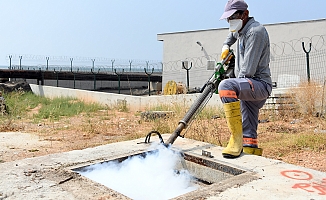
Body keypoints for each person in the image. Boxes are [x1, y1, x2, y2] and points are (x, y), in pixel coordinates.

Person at [218, 0, 272, 158]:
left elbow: (247, 71)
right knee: (250, 138)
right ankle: (250, 150)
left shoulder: (255, 31)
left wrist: (233, 85)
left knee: (226, 87)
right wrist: (226, 47)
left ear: (245, 14)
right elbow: (231, 36)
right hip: (248, 84)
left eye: (232, 18)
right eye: (228, 19)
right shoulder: (241, 27)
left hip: (259, 84)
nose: (230, 22)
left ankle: (236, 138)